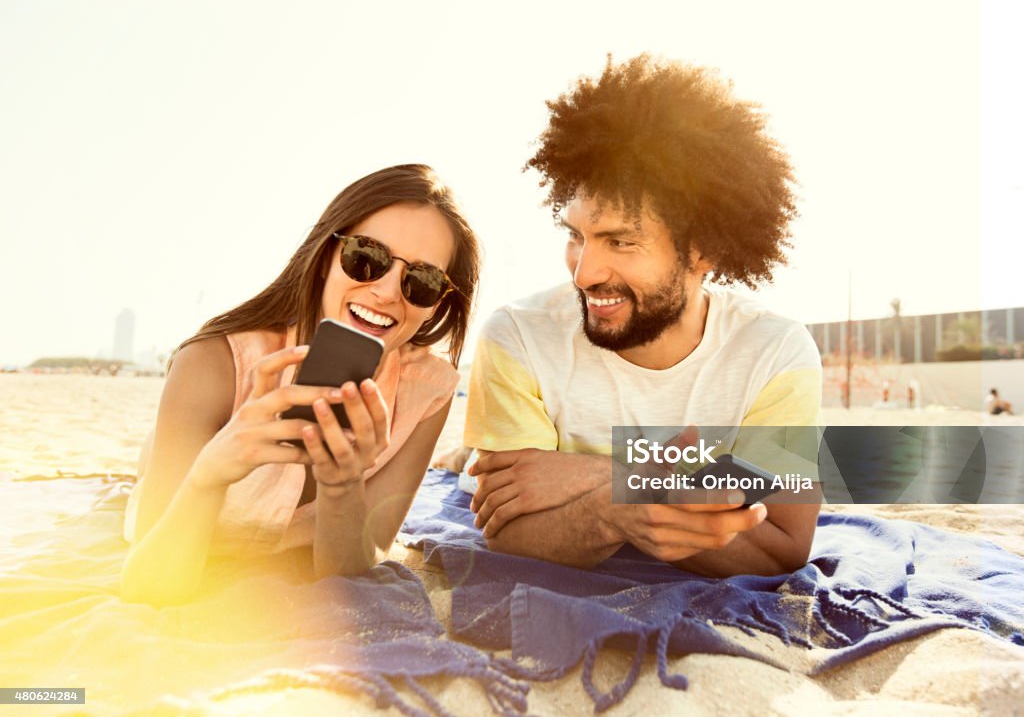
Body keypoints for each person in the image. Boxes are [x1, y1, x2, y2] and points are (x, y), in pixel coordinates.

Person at [462, 55, 822, 578]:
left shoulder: (775, 355)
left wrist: (613, 482)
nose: (583, 274)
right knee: (468, 476)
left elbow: (783, 545)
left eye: (621, 241)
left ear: (703, 251)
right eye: (576, 235)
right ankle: (463, 461)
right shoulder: (516, 336)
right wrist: (615, 514)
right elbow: (505, 532)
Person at [121, 164, 480, 605]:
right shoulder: (212, 362)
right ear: (326, 254)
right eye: (366, 257)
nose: (387, 292)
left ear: (437, 305)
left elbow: (353, 571)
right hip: (173, 477)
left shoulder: (428, 392)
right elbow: (149, 586)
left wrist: (341, 486)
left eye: (421, 282)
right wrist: (208, 476)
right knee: (160, 459)